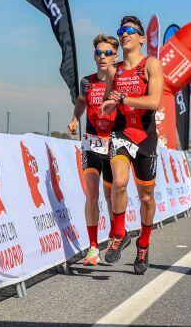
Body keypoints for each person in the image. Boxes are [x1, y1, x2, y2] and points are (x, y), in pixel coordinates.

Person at [101, 15, 163, 274]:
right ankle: (118, 233)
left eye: (129, 31)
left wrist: (125, 99)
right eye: (121, 31)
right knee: (120, 182)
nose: (124, 34)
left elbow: (155, 102)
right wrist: (109, 104)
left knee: (147, 197)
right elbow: (107, 102)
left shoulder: (151, 64)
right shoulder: (114, 71)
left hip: (145, 136)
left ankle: (144, 244)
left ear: (140, 38)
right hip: (121, 134)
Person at [68, 34, 119, 266]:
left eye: (107, 53)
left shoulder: (120, 79)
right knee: (91, 194)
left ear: (115, 56)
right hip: (91, 143)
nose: (102, 57)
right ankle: (92, 247)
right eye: (99, 53)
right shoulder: (87, 81)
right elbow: (80, 101)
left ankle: (115, 235)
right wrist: (74, 119)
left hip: (113, 144)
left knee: (110, 195)